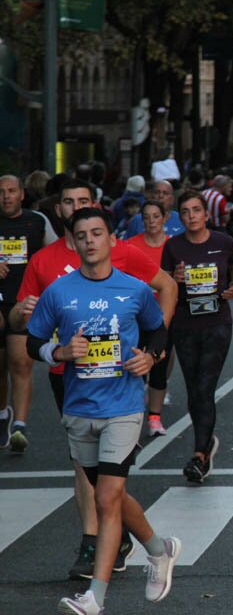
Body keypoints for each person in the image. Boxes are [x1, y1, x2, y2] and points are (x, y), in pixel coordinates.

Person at [10, 178, 178, 581]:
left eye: (84, 203)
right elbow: (20, 322)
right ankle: (143, 543)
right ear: (60, 210)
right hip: (68, 379)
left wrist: (151, 355)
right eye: (69, 204)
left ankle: (94, 564)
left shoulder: (124, 257)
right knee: (94, 477)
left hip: (121, 392)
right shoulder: (46, 264)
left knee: (109, 487)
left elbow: (164, 293)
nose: (76, 211)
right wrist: (47, 338)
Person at [161, 191, 233, 483]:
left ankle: (199, 454)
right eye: (185, 211)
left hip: (217, 322)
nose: (192, 216)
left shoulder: (223, 242)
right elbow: (163, 281)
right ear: (180, 217)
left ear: (206, 214)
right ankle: (206, 442)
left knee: (204, 387)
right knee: (194, 386)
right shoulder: (173, 246)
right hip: (185, 323)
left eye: (197, 210)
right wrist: (175, 279)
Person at [0, 173, 58, 453]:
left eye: (12, 191)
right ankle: (2, 415)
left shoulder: (37, 221)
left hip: (24, 301)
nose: (6, 196)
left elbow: (55, 253)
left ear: (22, 194)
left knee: (20, 362)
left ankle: (20, 425)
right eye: (1, 192)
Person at [127, 201, 172, 437]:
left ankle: (155, 418)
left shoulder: (173, 245)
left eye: (156, 216)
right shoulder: (131, 246)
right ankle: (132, 419)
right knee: (135, 368)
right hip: (136, 317)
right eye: (146, 217)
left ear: (165, 218)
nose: (152, 221)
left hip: (163, 316)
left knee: (159, 365)